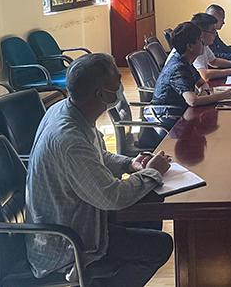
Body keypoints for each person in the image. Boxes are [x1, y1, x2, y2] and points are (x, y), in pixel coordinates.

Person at [26, 53, 173, 286]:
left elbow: (97, 155)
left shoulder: (69, 110)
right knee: (160, 245)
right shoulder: (69, 139)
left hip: (82, 217)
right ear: (100, 94)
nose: (121, 88)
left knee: (149, 213)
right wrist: (152, 172)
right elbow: (112, 197)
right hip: (68, 241)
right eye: (117, 82)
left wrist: (129, 164)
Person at [153, 21, 231, 117]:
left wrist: (205, 92)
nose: (203, 43)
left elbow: (202, 83)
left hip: (183, 111)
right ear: (190, 46)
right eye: (200, 40)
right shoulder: (178, 68)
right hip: (168, 115)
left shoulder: (186, 60)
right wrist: (222, 96)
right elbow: (192, 101)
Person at [184, 13, 231, 81]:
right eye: (213, 31)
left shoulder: (203, 44)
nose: (215, 34)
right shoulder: (194, 47)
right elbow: (204, 75)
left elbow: (214, 61)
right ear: (202, 33)